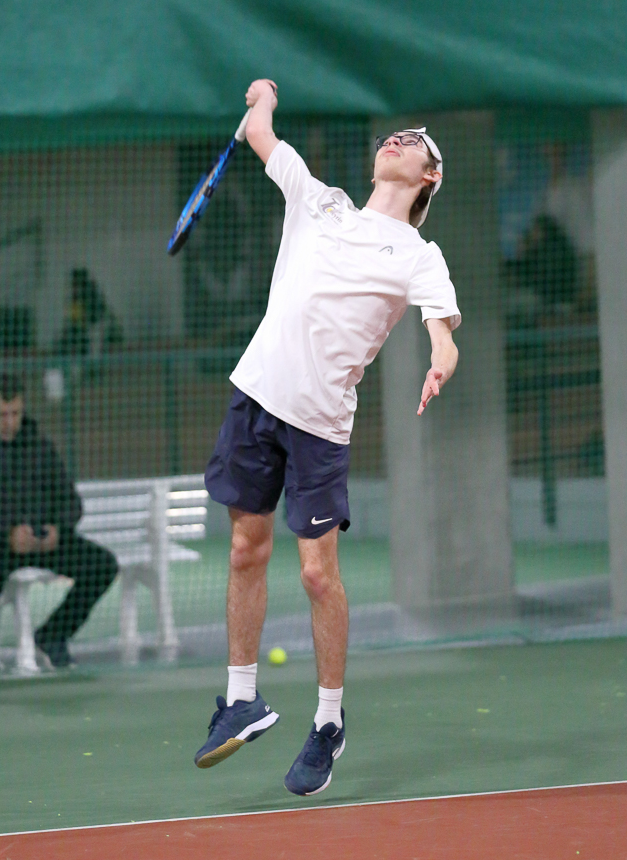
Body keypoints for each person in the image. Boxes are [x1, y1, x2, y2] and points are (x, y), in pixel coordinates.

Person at [194, 79, 461, 796]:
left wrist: (441, 357)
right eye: (392, 136)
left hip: (320, 423)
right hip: (255, 395)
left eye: (415, 142)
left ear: (429, 176)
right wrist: (262, 95)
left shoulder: (418, 254)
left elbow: (441, 327)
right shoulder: (319, 199)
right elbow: (260, 134)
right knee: (245, 549)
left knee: (318, 574)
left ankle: (329, 721)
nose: (397, 141)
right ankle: (240, 699)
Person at [0, 372, 118, 672]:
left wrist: (57, 529)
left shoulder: (39, 446)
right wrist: (6, 534)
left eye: (16, 413)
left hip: (40, 542)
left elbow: (70, 501)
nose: (10, 422)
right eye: (2, 414)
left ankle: (53, 635)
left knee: (102, 565)